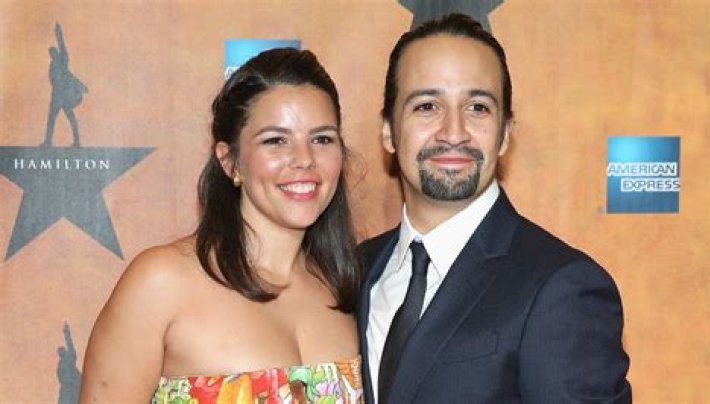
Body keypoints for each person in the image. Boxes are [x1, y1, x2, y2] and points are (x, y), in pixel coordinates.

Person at [358, 13, 631, 403]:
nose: (453, 132)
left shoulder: (563, 288)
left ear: (505, 134)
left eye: (477, 107)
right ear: (388, 130)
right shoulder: (356, 271)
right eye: (427, 106)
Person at [80, 48, 363, 403]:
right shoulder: (161, 282)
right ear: (229, 162)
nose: (304, 159)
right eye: (275, 140)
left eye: (322, 139)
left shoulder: (348, 285)